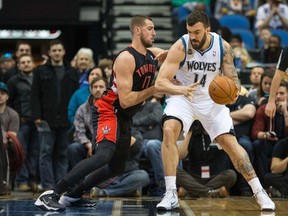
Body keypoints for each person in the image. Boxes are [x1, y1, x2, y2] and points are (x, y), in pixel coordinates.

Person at [34, 15, 165, 211]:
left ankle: (74, 195)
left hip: (125, 117)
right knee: (103, 156)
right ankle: (51, 193)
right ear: (137, 31)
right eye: (150, 28)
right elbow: (126, 100)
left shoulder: (151, 55)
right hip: (109, 110)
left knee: (116, 167)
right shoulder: (125, 58)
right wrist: (155, 88)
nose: (154, 32)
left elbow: (174, 54)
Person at [154, 10, 275, 211]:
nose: (193, 36)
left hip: (211, 100)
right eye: (189, 31)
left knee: (231, 144)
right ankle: (170, 193)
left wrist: (234, 91)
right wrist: (180, 89)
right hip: (183, 96)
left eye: (197, 32)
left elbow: (233, 79)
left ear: (208, 29)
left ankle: (259, 192)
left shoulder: (223, 48)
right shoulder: (181, 46)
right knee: (168, 130)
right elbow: (160, 83)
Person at [31, 39, 79, 191]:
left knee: (62, 154)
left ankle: (60, 186)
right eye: (54, 50)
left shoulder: (72, 72)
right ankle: (47, 187)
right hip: (46, 119)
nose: (57, 53)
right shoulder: (39, 71)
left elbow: (75, 97)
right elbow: (35, 95)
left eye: (59, 50)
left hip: (65, 119)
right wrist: (37, 116)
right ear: (49, 53)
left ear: (63, 52)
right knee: (45, 153)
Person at [177, 120, 237, 198]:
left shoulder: (221, 134)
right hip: (195, 177)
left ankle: (192, 191)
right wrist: (189, 131)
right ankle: (209, 192)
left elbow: (233, 150)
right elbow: (180, 155)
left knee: (231, 174)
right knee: (174, 170)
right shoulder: (193, 134)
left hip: (216, 177)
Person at [7, 54, 39, 192]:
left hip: (37, 121)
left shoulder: (38, 80)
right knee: (21, 152)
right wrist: (15, 117)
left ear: (33, 64)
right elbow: (9, 101)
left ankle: (33, 180)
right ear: (18, 65)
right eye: (23, 62)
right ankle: (22, 181)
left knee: (35, 152)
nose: (26, 64)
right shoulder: (13, 81)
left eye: (28, 62)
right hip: (22, 121)